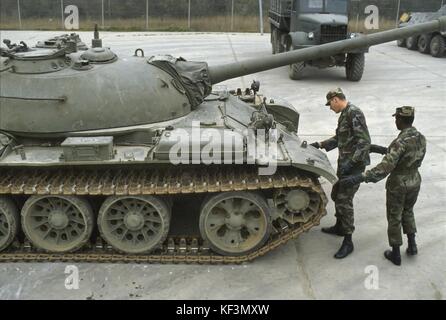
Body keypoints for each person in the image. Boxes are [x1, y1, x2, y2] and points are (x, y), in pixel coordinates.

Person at [341, 106, 426, 266]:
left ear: (401, 120)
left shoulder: (399, 142)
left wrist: (360, 177)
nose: (395, 121)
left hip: (399, 183)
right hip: (415, 179)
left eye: (396, 119)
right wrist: (382, 150)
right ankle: (412, 245)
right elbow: (411, 155)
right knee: (408, 211)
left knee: (394, 216)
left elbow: (384, 169)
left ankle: (395, 254)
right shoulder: (421, 137)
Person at [311, 88, 371, 259]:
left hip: (353, 167)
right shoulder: (345, 114)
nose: (330, 108)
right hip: (345, 165)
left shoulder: (354, 113)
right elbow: (340, 139)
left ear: (335, 99)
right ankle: (339, 226)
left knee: (345, 201)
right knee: (337, 194)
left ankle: (348, 241)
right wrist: (320, 144)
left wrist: (352, 163)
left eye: (330, 104)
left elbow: (365, 142)